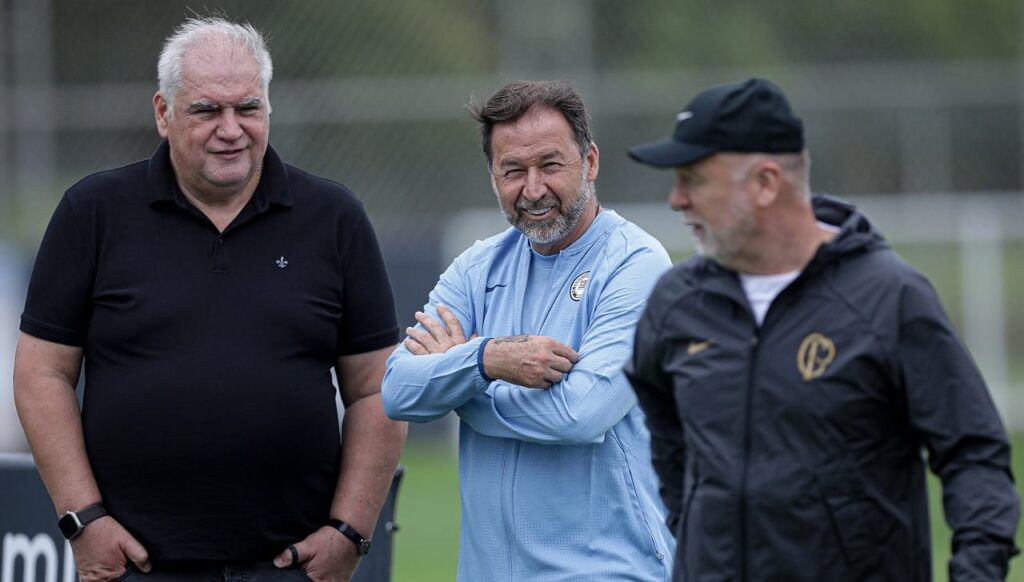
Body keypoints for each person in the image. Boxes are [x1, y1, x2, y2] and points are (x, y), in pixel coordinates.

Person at [13, 16, 407, 582]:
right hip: (134, 566)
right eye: (207, 110)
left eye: (248, 107)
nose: (231, 128)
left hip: (292, 565)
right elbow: (40, 374)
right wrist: (85, 521)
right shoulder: (92, 213)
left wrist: (350, 530)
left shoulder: (334, 218)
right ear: (163, 113)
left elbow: (379, 387)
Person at [625, 77, 1021, 581]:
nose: (676, 199)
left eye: (694, 178)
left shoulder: (888, 298)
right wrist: (699, 537)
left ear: (767, 183)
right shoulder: (677, 303)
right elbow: (667, 435)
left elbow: (974, 454)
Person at [381, 80, 675, 581]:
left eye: (550, 165)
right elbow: (397, 391)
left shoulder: (636, 265)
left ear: (591, 162)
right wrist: (485, 360)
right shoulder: (475, 268)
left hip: (606, 571)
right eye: (513, 171)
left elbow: (581, 414)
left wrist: (459, 388)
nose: (533, 189)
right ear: (492, 175)